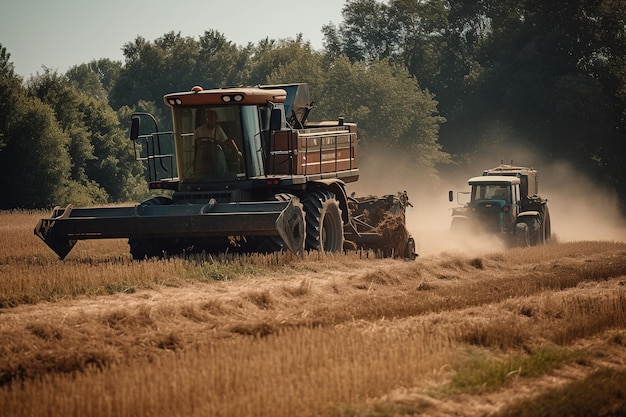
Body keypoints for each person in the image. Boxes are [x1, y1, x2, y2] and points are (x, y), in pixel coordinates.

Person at [193, 109, 242, 177]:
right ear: (206, 119)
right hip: (203, 158)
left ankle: (222, 174)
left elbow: (226, 141)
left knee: (218, 149)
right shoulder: (198, 131)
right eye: (208, 118)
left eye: (212, 118)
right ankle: (198, 174)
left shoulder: (218, 129)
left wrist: (236, 151)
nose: (210, 120)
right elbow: (196, 146)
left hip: (216, 156)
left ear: (216, 119)